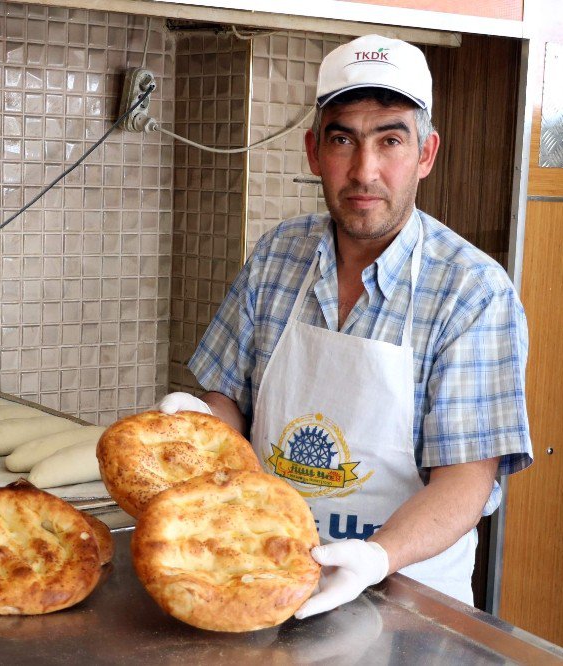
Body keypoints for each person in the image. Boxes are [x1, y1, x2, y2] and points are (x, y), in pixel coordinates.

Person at [158, 34, 533, 617]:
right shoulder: (278, 254)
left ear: (426, 154)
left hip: (408, 597)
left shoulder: (472, 292)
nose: (365, 170)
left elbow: (465, 482)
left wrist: (374, 558)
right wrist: (201, 427)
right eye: (343, 140)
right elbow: (230, 399)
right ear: (313, 152)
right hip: (263, 567)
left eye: (391, 140)